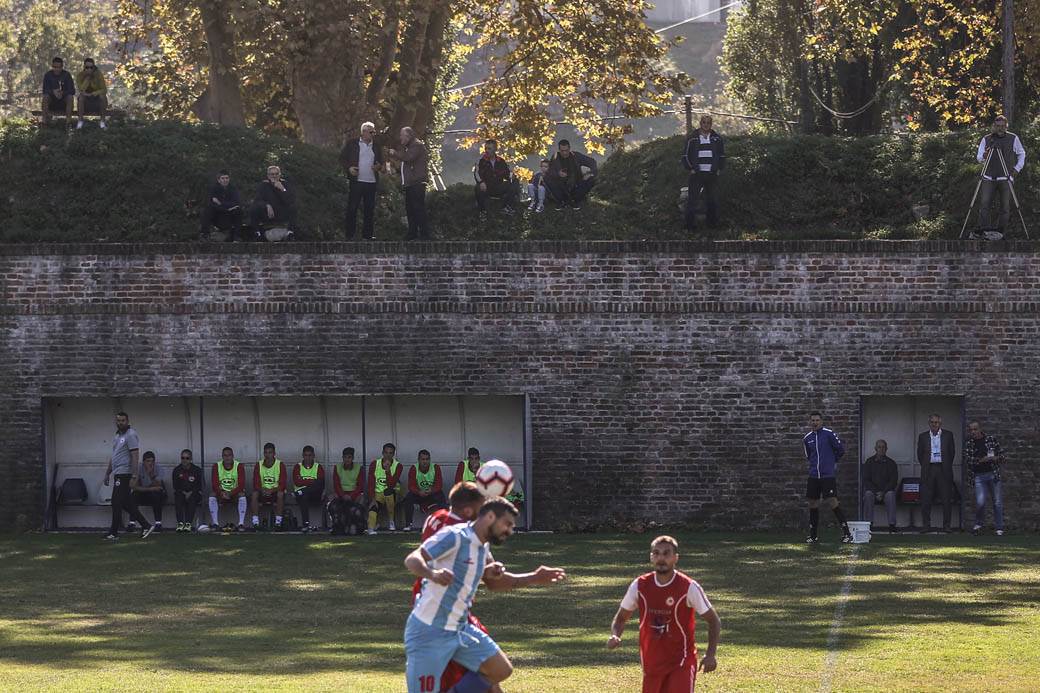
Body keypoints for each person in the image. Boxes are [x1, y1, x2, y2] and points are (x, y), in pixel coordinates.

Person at [403, 497, 567, 693]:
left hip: (459, 628)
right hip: (429, 631)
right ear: (490, 517)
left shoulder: (482, 547)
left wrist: (534, 577)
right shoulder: (455, 535)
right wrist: (432, 574)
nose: (510, 531)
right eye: (507, 524)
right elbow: (412, 559)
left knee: (500, 670)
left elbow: (495, 584)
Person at [607, 535, 721, 693]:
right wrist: (615, 635)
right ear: (651, 557)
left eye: (666, 553)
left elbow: (714, 620)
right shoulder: (639, 585)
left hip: (681, 662)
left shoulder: (688, 587)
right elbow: (620, 618)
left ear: (675, 558)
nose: (661, 558)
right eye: (656, 553)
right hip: (651, 663)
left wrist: (711, 654)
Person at [408, 482, 490, 692]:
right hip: (439, 604)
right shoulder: (455, 530)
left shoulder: (436, 517)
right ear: (469, 510)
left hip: (437, 598)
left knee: (490, 668)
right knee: (468, 673)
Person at [102, 412, 154, 540]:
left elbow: (135, 456)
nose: (120, 423)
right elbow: (114, 456)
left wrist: (134, 476)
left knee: (116, 502)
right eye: (118, 421)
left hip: (125, 473)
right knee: (125, 503)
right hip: (117, 472)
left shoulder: (131, 435)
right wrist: (108, 472)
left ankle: (113, 533)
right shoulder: (117, 436)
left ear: (128, 421)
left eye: (123, 420)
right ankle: (146, 525)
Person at [803, 411, 852, 543]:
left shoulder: (829, 434)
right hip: (814, 475)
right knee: (813, 503)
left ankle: (847, 534)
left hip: (827, 475)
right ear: (810, 422)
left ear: (821, 421)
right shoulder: (807, 438)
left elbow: (840, 450)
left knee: (832, 501)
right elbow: (809, 456)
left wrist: (831, 462)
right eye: (812, 420)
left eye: (817, 420)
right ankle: (813, 536)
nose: (815, 422)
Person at [976, 115, 1025, 234]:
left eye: (1002, 126)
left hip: (1006, 177)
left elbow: (1022, 153)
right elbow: (979, 157)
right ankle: (986, 231)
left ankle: (1000, 232)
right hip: (988, 177)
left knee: (1005, 207)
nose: (1000, 129)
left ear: (1006, 126)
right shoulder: (987, 139)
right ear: (994, 126)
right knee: (984, 205)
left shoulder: (1013, 138)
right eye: (998, 126)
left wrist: (1017, 169)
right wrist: (984, 156)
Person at [340, 121, 384, 240]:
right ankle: (350, 235)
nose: (373, 134)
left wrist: (378, 166)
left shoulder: (376, 145)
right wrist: (349, 168)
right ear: (363, 132)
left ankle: (368, 235)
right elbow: (342, 158)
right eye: (371, 132)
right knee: (352, 208)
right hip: (357, 181)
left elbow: (380, 161)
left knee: (369, 209)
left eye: (374, 132)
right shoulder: (352, 144)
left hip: (371, 182)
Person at [682, 114, 725, 233]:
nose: (706, 125)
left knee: (712, 199)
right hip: (697, 173)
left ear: (711, 124)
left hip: (711, 173)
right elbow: (685, 154)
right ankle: (689, 226)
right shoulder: (693, 138)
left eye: (708, 123)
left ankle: (712, 225)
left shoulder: (717, 138)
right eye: (704, 122)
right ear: (700, 123)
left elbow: (721, 155)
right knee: (693, 200)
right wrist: (690, 168)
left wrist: (719, 168)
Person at [387, 127, 431, 240]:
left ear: (408, 136)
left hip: (416, 183)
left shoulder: (416, 145)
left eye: (402, 135)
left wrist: (394, 153)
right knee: (410, 209)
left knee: (418, 208)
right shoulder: (409, 147)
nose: (400, 138)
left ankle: (424, 234)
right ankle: (412, 233)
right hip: (410, 183)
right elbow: (407, 165)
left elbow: (408, 158)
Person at [964, 420, 1006, 536]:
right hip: (979, 476)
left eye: (975, 429)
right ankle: (978, 524)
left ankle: (999, 528)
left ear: (980, 429)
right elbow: (969, 460)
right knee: (980, 502)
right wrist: (982, 460)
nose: (973, 432)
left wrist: (995, 458)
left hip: (993, 474)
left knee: (997, 502)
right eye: (971, 430)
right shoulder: (969, 444)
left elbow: (1002, 456)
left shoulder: (991, 439)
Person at [916, 414, 956, 533]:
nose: (934, 424)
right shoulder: (923, 436)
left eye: (936, 422)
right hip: (928, 469)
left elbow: (951, 453)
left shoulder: (948, 435)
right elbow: (920, 454)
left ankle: (947, 526)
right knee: (926, 499)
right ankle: (926, 525)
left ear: (940, 423)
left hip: (943, 469)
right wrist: (927, 465)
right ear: (929, 423)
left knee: (946, 498)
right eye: (932, 422)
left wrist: (946, 464)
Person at [401, 449, 447, 532]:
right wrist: (419, 492)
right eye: (423, 459)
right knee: (408, 499)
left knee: (442, 498)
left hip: (432, 493)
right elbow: (411, 485)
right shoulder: (414, 468)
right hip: (418, 493)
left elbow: (439, 484)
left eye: (427, 459)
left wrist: (431, 490)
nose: (425, 462)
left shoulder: (435, 467)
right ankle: (408, 524)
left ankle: (444, 524)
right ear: (418, 460)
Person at [545, 139, 598, 211]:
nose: (564, 153)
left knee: (591, 180)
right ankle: (563, 201)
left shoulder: (576, 156)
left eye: (566, 150)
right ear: (559, 150)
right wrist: (558, 174)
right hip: (561, 186)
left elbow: (592, 162)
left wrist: (590, 173)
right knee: (546, 178)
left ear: (569, 148)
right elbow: (549, 171)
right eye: (562, 151)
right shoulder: (555, 158)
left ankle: (574, 200)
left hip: (576, 185)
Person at [860, 440, 899, 533]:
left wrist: (883, 492)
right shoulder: (869, 462)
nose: (881, 449)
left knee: (890, 495)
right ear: (875, 449)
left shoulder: (891, 463)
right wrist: (876, 492)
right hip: (873, 492)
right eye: (879, 447)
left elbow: (893, 481)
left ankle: (892, 525)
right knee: (868, 494)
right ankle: (868, 524)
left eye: (883, 447)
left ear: (886, 449)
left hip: (886, 492)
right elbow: (866, 480)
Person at [249, 165, 297, 240]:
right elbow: (257, 200)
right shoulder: (263, 185)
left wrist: (283, 189)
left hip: (281, 211)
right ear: (268, 175)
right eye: (272, 174)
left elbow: (290, 200)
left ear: (279, 175)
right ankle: (257, 233)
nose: (274, 176)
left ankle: (290, 233)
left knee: (293, 207)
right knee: (253, 208)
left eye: (276, 174)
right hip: (268, 212)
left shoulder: (285, 184)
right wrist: (267, 205)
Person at [207, 446, 248, 531]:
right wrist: (222, 492)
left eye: (229, 455)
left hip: (234, 493)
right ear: (222, 457)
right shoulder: (216, 466)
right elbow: (214, 484)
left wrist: (230, 493)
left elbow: (241, 485)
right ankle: (215, 524)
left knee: (242, 495)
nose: (227, 457)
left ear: (233, 456)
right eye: (225, 455)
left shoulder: (239, 466)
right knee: (212, 495)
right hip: (221, 494)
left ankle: (241, 524)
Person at [474, 139, 517, 216]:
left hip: (498, 186)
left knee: (515, 182)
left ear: (495, 149)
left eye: (489, 148)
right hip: (486, 187)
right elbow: (476, 173)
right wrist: (481, 182)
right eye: (486, 148)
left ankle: (506, 207)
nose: (487, 151)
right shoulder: (481, 161)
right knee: (477, 188)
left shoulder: (501, 161)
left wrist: (512, 176)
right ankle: (482, 211)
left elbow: (507, 174)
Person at [328, 446, 366, 535]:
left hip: (354, 494)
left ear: (352, 458)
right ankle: (337, 526)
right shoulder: (337, 467)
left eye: (349, 457)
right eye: (345, 457)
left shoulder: (359, 468)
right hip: (341, 494)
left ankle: (356, 527)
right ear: (342, 458)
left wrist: (351, 496)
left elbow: (360, 485)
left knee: (357, 506)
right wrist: (342, 495)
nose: (347, 460)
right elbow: (336, 484)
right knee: (333, 505)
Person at [367, 442, 403, 534]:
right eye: (386, 452)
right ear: (382, 453)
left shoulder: (398, 466)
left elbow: (391, 484)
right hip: (378, 494)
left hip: (393, 493)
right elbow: (370, 483)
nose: (388, 455)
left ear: (393, 454)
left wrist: (388, 471)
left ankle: (391, 521)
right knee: (373, 508)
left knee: (388, 491)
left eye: (390, 453)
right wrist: (372, 498)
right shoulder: (375, 464)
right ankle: (371, 528)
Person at [251, 442, 287, 530]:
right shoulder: (258, 465)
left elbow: (283, 484)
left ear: (274, 454)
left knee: (280, 494)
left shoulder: (280, 464)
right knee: (254, 494)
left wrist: (272, 490)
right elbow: (255, 483)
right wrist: (262, 489)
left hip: (275, 493)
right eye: (266, 453)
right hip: (262, 492)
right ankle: (255, 523)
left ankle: (278, 522)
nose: (267, 455)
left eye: (270, 452)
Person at [200, 170, 243, 240]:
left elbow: (236, 202)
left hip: (229, 215)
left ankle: (237, 236)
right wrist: (225, 208)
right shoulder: (213, 189)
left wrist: (221, 203)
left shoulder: (233, 189)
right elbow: (211, 204)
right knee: (207, 210)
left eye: (227, 178)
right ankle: (205, 234)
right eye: (223, 178)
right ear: (218, 180)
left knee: (238, 211)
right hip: (218, 216)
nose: (225, 180)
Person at [131, 451, 167, 533]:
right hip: (144, 493)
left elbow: (158, 485)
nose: (150, 463)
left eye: (152, 461)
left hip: (157, 495)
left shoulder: (158, 468)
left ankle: (158, 523)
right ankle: (132, 523)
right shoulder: (139, 469)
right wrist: (150, 488)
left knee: (156, 495)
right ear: (143, 462)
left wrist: (150, 474)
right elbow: (135, 487)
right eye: (148, 461)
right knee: (133, 495)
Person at [292, 445, 326, 533]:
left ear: (313, 456)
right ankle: (306, 524)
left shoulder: (318, 467)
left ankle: (301, 492)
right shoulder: (297, 467)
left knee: (318, 485)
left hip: (315, 495)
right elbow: (297, 482)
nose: (308, 457)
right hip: (301, 497)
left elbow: (321, 483)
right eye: (306, 455)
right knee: (304, 496)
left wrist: (304, 481)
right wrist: (312, 481)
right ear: (303, 456)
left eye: (310, 455)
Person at [172, 449, 203, 532]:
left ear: (191, 459)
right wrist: (183, 492)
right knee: (178, 497)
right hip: (181, 492)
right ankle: (180, 523)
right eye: (183, 458)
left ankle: (188, 523)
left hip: (194, 493)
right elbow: (175, 486)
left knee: (192, 498)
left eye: (187, 458)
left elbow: (201, 485)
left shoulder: (197, 470)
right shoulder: (176, 470)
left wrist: (192, 492)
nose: (184, 460)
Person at [41, 56, 75, 128]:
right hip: (52, 102)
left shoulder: (67, 75)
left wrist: (63, 93)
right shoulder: (48, 75)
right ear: (52, 66)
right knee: (45, 97)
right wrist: (53, 92)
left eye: (58, 67)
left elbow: (72, 91)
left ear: (62, 67)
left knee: (70, 97)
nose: (56, 69)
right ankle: (44, 122)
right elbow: (44, 90)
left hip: (63, 102)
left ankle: (68, 122)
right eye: (55, 67)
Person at [74, 57, 107, 129]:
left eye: (91, 67)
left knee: (103, 97)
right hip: (86, 101)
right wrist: (87, 79)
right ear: (84, 67)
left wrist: (94, 93)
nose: (89, 69)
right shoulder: (80, 76)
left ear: (94, 67)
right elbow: (81, 90)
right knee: (81, 98)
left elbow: (104, 89)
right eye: (87, 67)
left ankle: (102, 122)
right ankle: (80, 122)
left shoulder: (98, 74)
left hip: (96, 100)